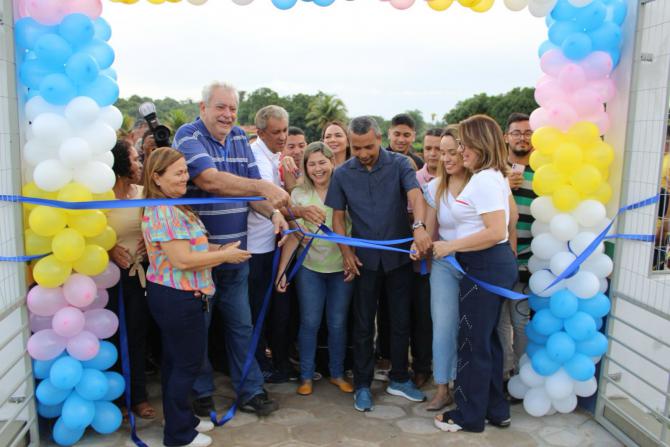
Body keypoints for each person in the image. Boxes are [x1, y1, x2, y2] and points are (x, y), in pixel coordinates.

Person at [174, 81, 289, 418]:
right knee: (201, 327)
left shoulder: (239, 136)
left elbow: (255, 198)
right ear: (203, 108)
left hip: (237, 253)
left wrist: (275, 213)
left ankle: (250, 389)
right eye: (220, 107)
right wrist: (264, 187)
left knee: (242, 325)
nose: (227, 115)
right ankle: (200, 392)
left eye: (232, 108)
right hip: (200, 256)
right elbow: (210, 180)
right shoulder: (188, 135)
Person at [141, 147, 251, 447]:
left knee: (177, 364)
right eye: (177, 173)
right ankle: (178, 436)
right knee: (186, 365)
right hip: (177, 298)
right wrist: (224, 256)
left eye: (185, 171)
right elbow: (183, 261)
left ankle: (181, 422)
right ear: (156, 178)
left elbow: (195, 251)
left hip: (182, 297)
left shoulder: (177, 206)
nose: (185, 178)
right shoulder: (163, 211)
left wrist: (225, 249)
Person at [325, 116, 433, 412]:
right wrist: (346, 253)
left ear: (378, 138)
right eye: (357, 148)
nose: (363, 153)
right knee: (362, 325)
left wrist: (420, 227)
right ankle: (362, 384)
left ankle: (400, 377)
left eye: (368, 147)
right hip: (364, 261)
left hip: (398, 259)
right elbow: (337, 216)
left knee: (400, 321)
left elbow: (415, 195)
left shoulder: (400, 164)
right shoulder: (342, 173)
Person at [430, 114, 519, 433]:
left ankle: (468, 415)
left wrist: (450, 246)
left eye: (465, 144)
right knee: (487, 341)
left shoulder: (483, 180)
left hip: (484, 265)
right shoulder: (493, 175)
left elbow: (495, 231)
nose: (461, 151)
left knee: (472, 343)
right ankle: (496, 409)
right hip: (489, 265)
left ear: (481, 144)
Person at [276, 142, 354, 396]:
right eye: (312, 164)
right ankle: (306, 376)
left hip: (340, 267)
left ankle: (337, 373)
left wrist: (353, 258)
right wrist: (282, 273)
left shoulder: (345, 189)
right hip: (310, 268)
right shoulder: (298, 195)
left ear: (332, 162)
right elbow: (293, 236)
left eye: (322, 162)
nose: (318, 168)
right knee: (309, 322)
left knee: (338, 323)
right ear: (305, 168)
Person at [419, 127, 470, 411]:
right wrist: (421, 241)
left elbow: (504, 225)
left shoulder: (482, 183)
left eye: (452, 152)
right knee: (443, 325)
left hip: (477, 263)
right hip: (445, 264)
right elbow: (426, 228)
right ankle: (442, 388)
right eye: (441, 151)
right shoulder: (434, 186)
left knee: (474, 327)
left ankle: (470, 385)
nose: (445, 158)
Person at [247, 105, 297, 382]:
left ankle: (275, 363)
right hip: (256, 247)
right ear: (260, 131)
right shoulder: (256, 157)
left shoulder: (277, 156)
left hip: (274, 243)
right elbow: (270, 202)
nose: (282, 137)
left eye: (285, 130)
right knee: (257, 311)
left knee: (274, 310)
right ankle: (257, 366)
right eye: (275, 132)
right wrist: (300, 212)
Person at [106, 140, 155, 419]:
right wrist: (109, 249)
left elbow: (155, 225)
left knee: (137, 336)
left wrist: (150, 245)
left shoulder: (142, 193)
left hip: (140, 274)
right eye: (135, 159)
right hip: (108, 276)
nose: (139, 164)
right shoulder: (98, 196)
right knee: (111, 336)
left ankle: (138, 396)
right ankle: (115, 398)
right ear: (121, 164)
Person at [497, 112, 535, 392]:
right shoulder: (496, 171)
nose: (522, 137)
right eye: (517, 132)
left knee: (521, 320)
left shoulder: (545, 171)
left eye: (528, 132)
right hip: (497, 258)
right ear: (506, 137)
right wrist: (504, 188)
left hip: (527, 258)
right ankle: (503, 373)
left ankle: (523, 376)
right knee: (499, 322)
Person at [409, 127, 444, 388]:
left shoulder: (462, 179)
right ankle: (421, 366)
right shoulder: (413, 178)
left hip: (450, 260)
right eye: (428, 149)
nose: (433, 154)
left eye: (439, 149)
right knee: (421, 316)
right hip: (419, 261)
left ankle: (444, 369)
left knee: (443, 319)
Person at [281, 126, 308, 192]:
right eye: (291, 147)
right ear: (282, 149)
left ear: (307, 146)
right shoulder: (277, 171)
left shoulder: (315, 166)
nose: (297, 151)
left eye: (301, 146)